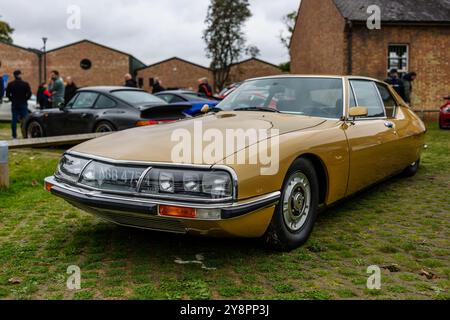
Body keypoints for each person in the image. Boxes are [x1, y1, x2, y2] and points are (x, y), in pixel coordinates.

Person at [5, 70, 32, 139]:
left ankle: (14, 136)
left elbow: (7, 94)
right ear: (20, 75)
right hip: (23, 103)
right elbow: (29, 93)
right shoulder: (25, 84)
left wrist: (12, 99)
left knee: (14, 120)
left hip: (14, 104)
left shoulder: (11, 84)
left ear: (14, 75)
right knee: (25, 119)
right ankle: (26, 135)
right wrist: (25, 99)